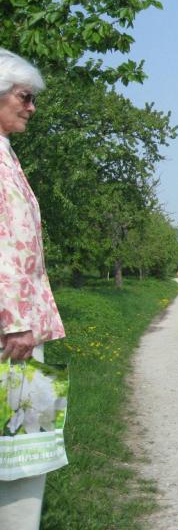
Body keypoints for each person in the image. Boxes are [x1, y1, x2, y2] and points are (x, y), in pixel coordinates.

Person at [0, 48, 67, 529]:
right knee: (21, 450)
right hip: (11, 330)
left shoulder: (5, 153)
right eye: (25, 97)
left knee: (23, 445)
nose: (32, 107)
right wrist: (15, 321)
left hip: (19, 324)